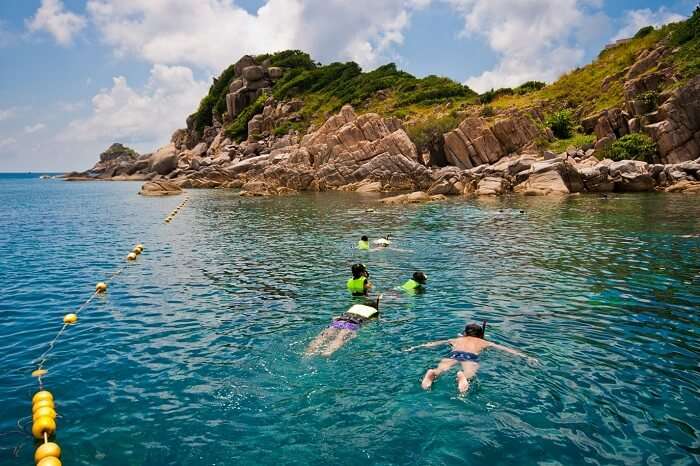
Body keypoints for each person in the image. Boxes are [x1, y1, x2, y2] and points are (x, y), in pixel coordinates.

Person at [406, 322, 535, 394]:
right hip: (470, 357)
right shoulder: (484, 342)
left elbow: (434, 343)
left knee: (440, 369)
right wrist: (526, 356)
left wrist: (415, 347)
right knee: (468, 375)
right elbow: (506, 350)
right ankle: (463, 377)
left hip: (454, 354)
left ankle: (433, 373)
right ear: (480, 335)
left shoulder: (456, 339)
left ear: (465, 333)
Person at [305, 296, 381, 356]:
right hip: (352, 324)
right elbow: (366, 323)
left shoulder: (355, 308)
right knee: (339, 338)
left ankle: (308, 353)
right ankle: (327, 352)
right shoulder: (372, 314)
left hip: (339, 321)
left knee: (322, 337)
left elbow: (334, 317)